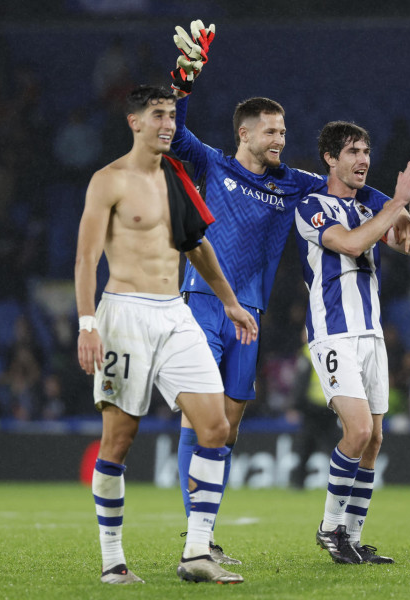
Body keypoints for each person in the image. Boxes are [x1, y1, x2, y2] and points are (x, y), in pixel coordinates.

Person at [167, 20, 410, 564]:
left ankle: (204, 530)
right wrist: (183, 80)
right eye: (271, 132)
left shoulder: (294, 184)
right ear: (245, 134)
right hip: (204, 303)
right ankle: (197, 537)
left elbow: (349, 188)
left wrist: (396, 198)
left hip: (249, 315)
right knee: (203, 417)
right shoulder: (214, 164)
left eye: (283, 132)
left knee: (228, 428)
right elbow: (174, 135)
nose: (280, 140)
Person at [74, 85, 258, 585]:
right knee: (119, 439)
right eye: (158, 115)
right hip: (123, 315)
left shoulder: (176, 177)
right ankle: (113, 560)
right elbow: (87, 258)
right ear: (134, 122)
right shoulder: (108, 180)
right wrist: (87, 324)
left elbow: (197, 246)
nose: (168, 125)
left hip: (175, 311)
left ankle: (198, 552)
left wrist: (229, 302)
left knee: (216, 426)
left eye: (173, 116)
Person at [295, 121, 410, 564]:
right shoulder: (313, 206)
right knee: (356, 430)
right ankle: (330, 527)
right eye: (353, 151)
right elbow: (352, 245)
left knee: (373, 440)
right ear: (330, 159)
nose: (364, 159)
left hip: (371, 334)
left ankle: (352, 537)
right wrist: (395, 202)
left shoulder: (373, 204)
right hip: (334, 333)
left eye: (367, 150)